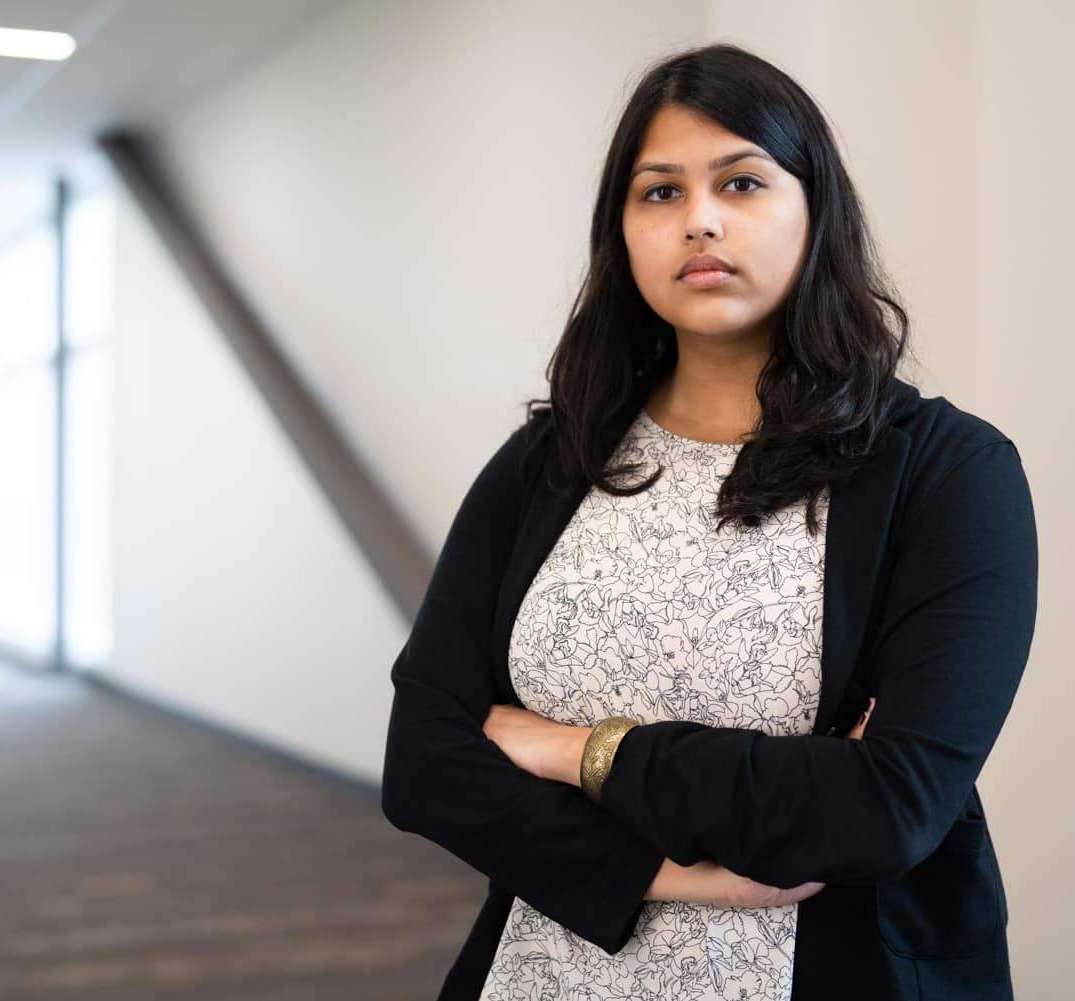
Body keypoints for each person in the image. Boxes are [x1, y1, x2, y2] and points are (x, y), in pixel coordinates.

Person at [381, 42, 1038, 1001]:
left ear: (816, 211)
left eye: (741, 181)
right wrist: (673, 873)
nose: (699, 219)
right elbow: (424, 762)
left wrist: (571, 747)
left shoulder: (947, 472)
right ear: (622, 233)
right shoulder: (549, 464)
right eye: (658, 192)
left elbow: (885, 808)